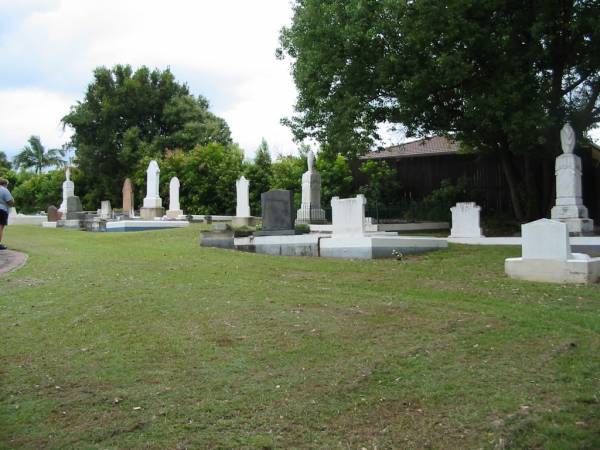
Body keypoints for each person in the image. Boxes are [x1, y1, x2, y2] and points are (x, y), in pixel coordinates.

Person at [0, 178, 15, 250]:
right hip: (2, 210)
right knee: (0, 227)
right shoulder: (4, 190)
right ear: (5, 184)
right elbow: (10, 202)